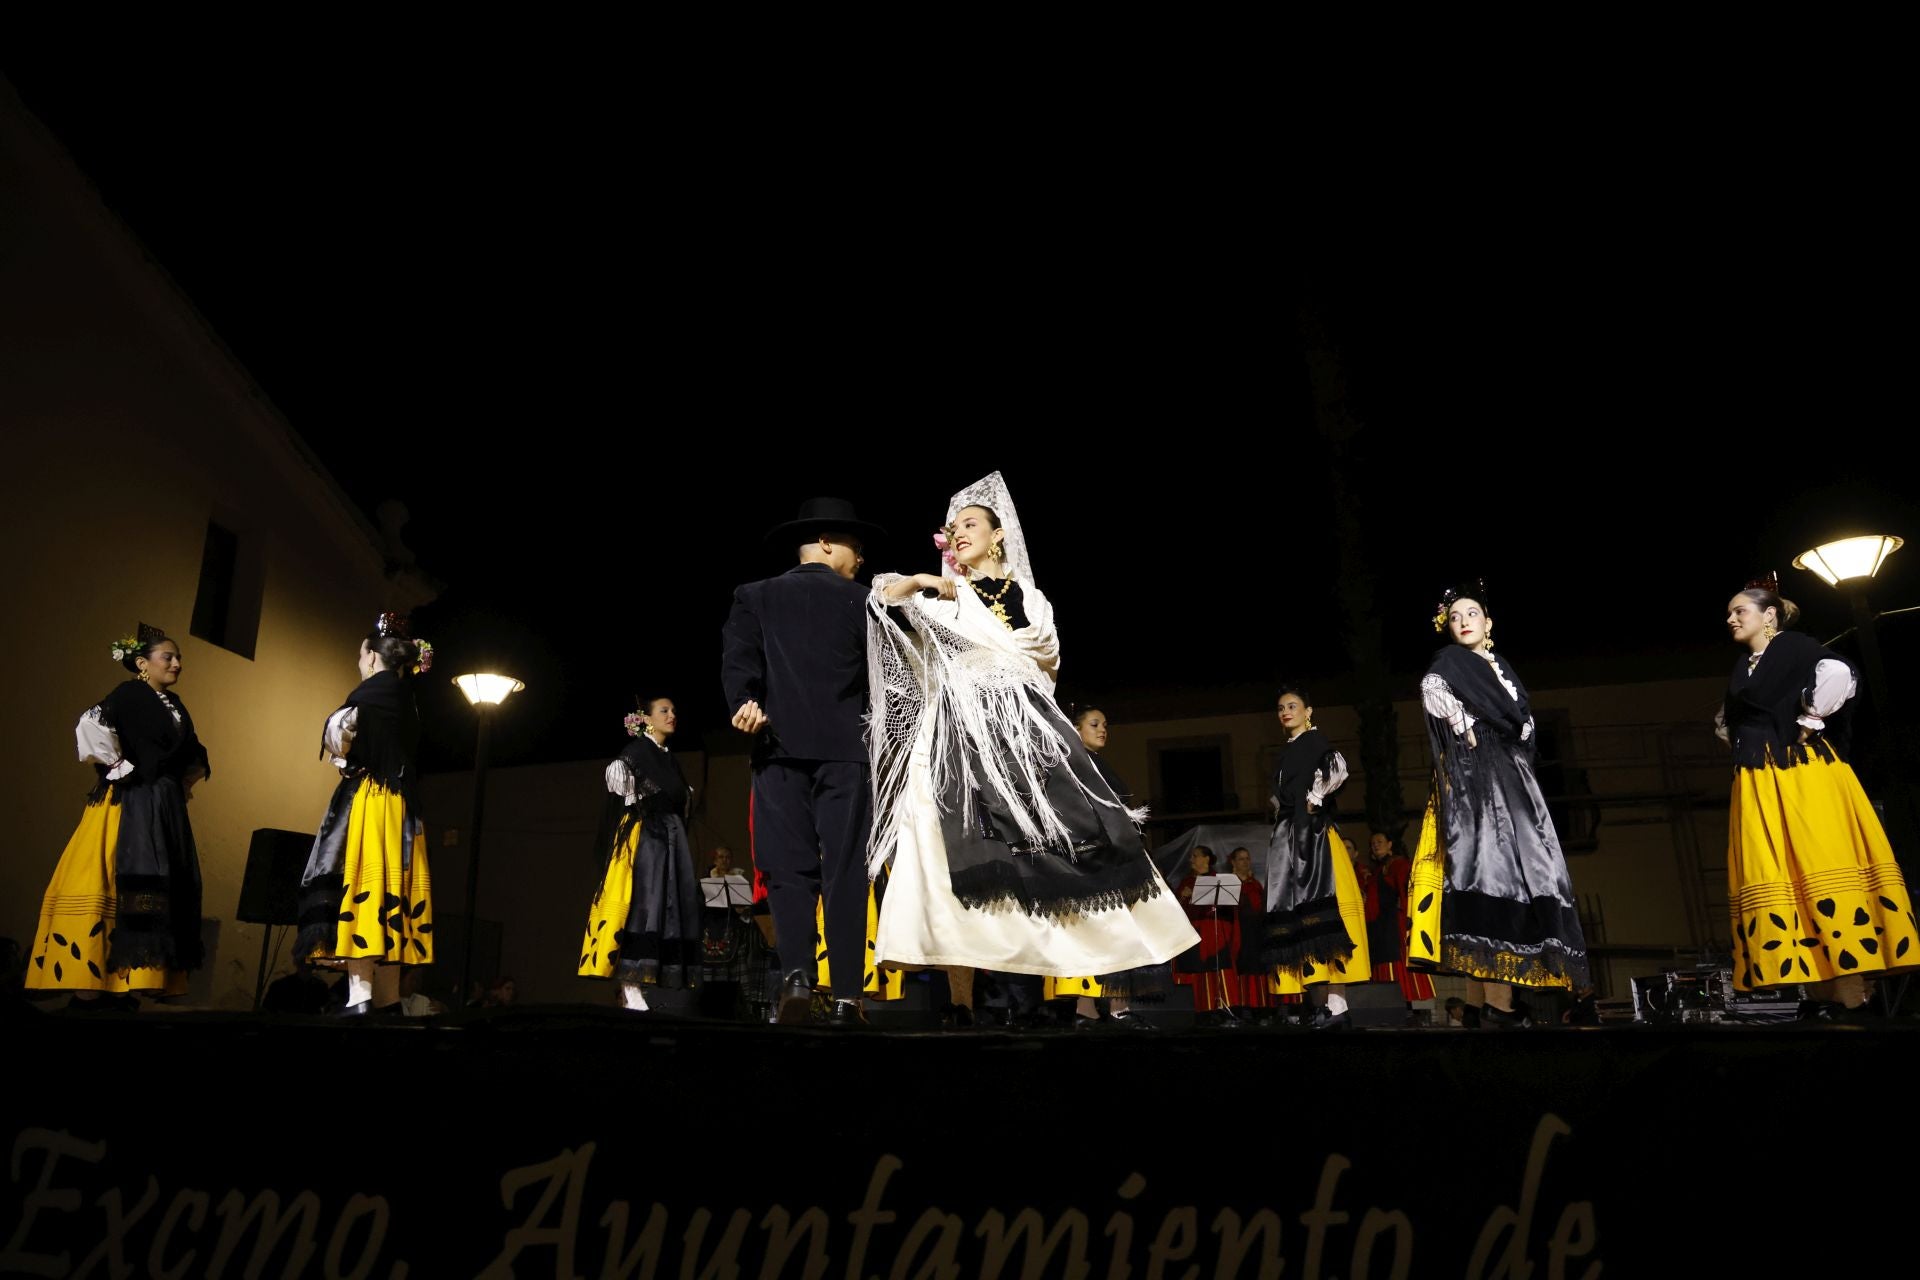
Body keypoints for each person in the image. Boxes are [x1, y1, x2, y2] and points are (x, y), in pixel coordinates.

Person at [866, 472, 1196, 992]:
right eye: (953, 529)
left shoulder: (1032, 598)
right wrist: (925, 581)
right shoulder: (946, 597)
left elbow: (1041, 656)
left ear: (999, 534)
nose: (959, 533)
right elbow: (884, 596)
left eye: (971, 523)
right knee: (957, 838)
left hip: (1026, 723)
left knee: (1069, 832)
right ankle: (962, 993)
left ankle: (1093, 969)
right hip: (965, 729)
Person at [1718, 574, 1918, 1018]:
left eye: (1740, 611)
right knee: (1785, 874)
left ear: (1769, 615)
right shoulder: (1746, 665)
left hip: (1798, 775)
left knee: (1816, 861)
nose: (1731, 619)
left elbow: (1839, 672)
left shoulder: (1790, 647)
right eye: (1730, 613)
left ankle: (1851, 997)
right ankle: (1825, 999)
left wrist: (1810, 718)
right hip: (1761, 779)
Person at [723, 497, 888, 1028]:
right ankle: (845, 997)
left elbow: (739, 664)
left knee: (788, 871)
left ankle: (795, 976)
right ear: (824, 542)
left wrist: (743, 706)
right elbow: (884, 683)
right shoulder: (866, 602)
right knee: (846, 874)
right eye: (855, 548)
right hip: (846, 753)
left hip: (777, 746)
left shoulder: (754, 596)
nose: (860, 559)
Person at [1407, 582, 1588, 1028]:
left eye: (1472, 613)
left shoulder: (1501, 666)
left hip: (1512, 777)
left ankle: (1490, 1006)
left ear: (1488, 622)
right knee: (1487, 870)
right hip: (1477, 775)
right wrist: (1463, 723)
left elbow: (1523, 722)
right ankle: (1497, 1007)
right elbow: (1432, 688)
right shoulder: (1451, 661)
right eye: (1455, 617)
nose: (1464, 620)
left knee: (1524, 874)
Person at [26, 624, 209, 1010]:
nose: (176, 663)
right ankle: (91, 983)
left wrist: (178, 783)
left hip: (161, 804)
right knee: (111, 875)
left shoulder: (175, 705)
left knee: (161, 884)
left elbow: (191, 752)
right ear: (142, 664)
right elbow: (91, 724)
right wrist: (120, 766)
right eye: (168, 657)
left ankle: (132, 980)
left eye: (179, 659)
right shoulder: (129, 694)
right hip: (128, 802)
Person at [293, 613, 433, 1015]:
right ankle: (388, 999)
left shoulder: (369, 694)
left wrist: (347, 755)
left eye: (360, 656)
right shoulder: (408, 700)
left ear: (372, 657)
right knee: (390, 892)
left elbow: (338, 737)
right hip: (403, 808)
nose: (359, 663)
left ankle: (360, 996)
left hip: (372, 798)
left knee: (360, 885)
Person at [578, 696, 701, 1011]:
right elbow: (622, 800)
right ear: (646, 719)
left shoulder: (669, 758)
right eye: (664, 711)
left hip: (671, 841)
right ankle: (630, 985)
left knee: (670, 907)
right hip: (647, 839)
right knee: (644, 905)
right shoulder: (635, 754)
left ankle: (655, 983)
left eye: (674, 710)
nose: (672, 715)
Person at [1261, 685, 1371, 1029]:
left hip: (1316, 838)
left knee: (1327, 916)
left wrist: (1316, 797)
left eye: (1292, 706)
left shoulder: (1314, 741)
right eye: (1281, 707)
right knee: (1302, 922)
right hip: (1291, 842)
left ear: (1309, 711)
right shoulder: (1288, 751)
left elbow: (1337, 767)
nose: (1285, 712)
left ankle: (1337, 1006)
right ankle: (1322, 1006)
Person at [1044, 705, 1158, 1030]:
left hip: (1105, 860)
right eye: (1095, 724)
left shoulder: (1096, 766)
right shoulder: (1070, 767)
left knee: (1108, 933)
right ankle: (1097, 1010)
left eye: (1105, 724)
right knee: (1102, 933)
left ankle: (1096, 1011)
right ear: (1076, 729)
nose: (1103, 729)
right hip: (1089, 862)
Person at [1173, 846, 1241, 1022]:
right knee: (1199, 971)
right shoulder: (1186, 882)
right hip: (1196, 934)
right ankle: (1203, 1010)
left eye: (1195, 856)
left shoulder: (1217, 881)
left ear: (1206, 859)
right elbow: (1176, 911)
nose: (1191, 860)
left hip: (1215, 932)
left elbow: (1230, 908)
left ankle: (1223, 1008)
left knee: (1218, 968)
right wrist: (1183, 897)